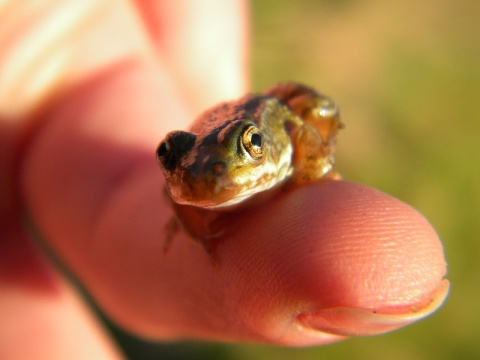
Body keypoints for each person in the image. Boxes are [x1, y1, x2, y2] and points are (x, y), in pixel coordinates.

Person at [0, 1, 447, 358]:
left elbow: (291, 121)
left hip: (261, 113)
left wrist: (311, 168)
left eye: (248, 147)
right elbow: (175, 193)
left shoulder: (270, 135)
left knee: (320, 109)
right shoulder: (189, 178)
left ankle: (238, 150)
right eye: (167, 157)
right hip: (208, 129)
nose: (205, 178)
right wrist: (200, 231)